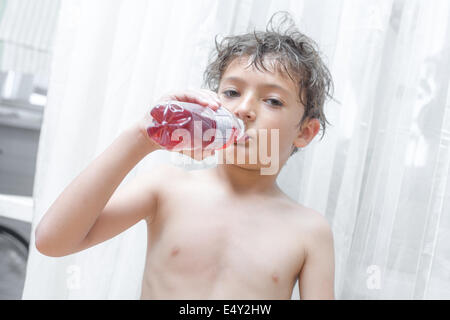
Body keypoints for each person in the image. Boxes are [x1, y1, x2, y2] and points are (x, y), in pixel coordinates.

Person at [35, 12, 336, 300]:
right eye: (231, 92)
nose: (243, 109)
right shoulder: (166, 187)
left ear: (305, 133)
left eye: (272, 100)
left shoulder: (309, 231)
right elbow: (52, 241)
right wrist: (141, 137)